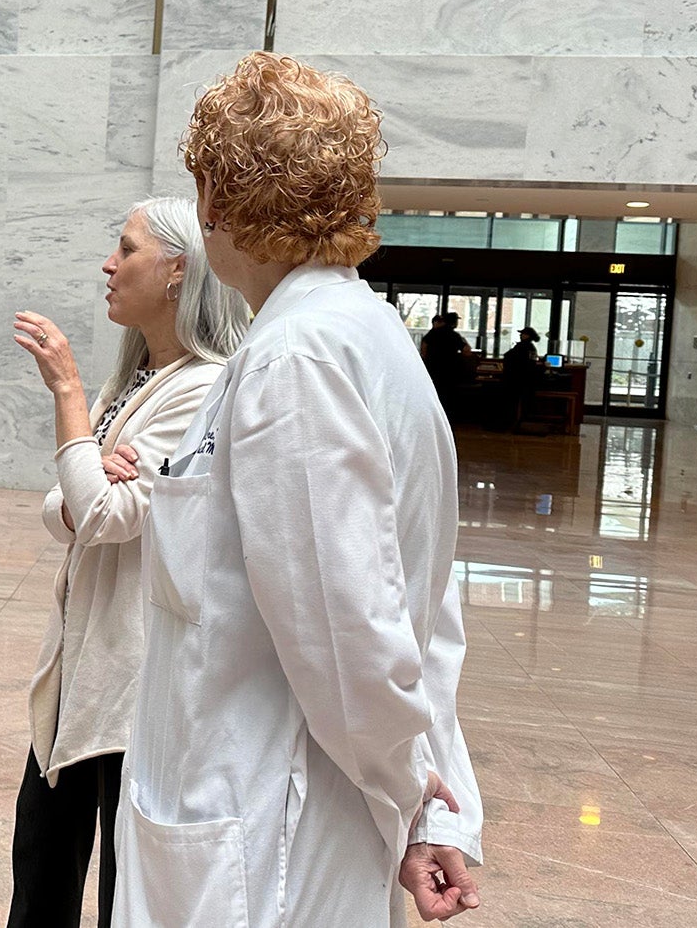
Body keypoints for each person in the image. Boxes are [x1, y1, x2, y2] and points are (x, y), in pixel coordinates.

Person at [116, 53, 482, 927]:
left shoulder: (297, 358)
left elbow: (347, 623)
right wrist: (429, 798)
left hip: (260, 831)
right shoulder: (358, 334)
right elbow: (421, 612)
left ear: (219, 201)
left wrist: (407, 783)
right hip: (277, 811)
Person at [8, 196, 247, 928]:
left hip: (136, 685)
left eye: (127, 248)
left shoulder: (205, 387)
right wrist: (88, 463)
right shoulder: (138, 377)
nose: (108, 266)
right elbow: (61, 507)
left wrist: (68, 396)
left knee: (124, 891)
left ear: (178, 271)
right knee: (40, 873)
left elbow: (106, 514)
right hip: (81, 668)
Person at [501, 327, 544, 431]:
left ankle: (510, 422)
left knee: (512, 402)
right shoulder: (531, 348)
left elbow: (508, 357)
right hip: (527, 380)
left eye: (522, 334)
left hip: (516, 379)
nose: (521, 335)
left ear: (527, 335)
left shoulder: (521, 347)